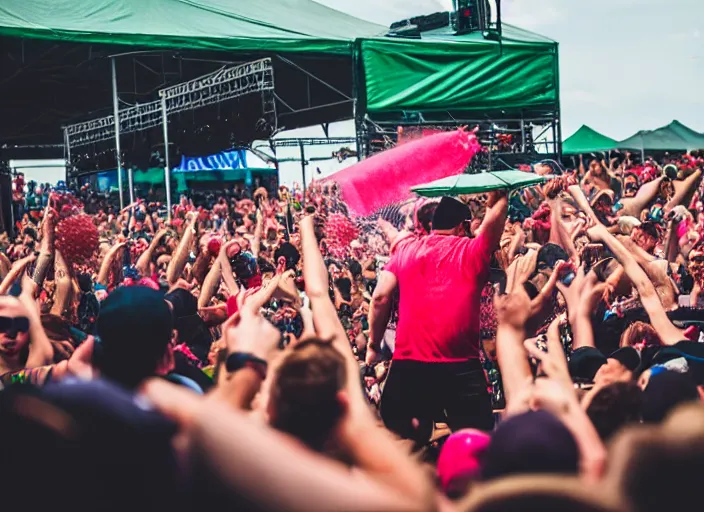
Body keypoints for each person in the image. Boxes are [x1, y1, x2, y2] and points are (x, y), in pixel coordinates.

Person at [368, 192, 508, 444]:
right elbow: (494, 226)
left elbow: (379, 298)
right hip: (460, 368)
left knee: (403, 445)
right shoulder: (470, 250)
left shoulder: (406, 251)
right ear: (461, 226)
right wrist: (500, 197)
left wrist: (372, 345)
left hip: (409, 367)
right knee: (478, 446)